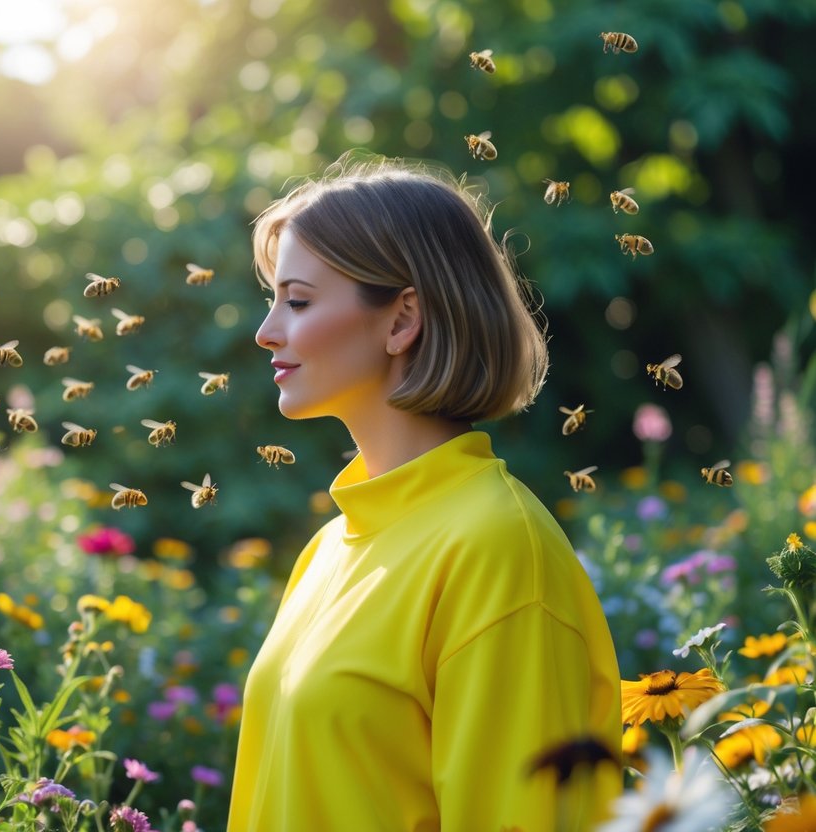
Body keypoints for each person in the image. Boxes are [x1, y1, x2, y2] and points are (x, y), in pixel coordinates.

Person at [227, 157, 622, 831]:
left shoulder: (498, 549)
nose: (266, 330)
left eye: (296, 300)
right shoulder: (329, 549)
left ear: (401, 318)